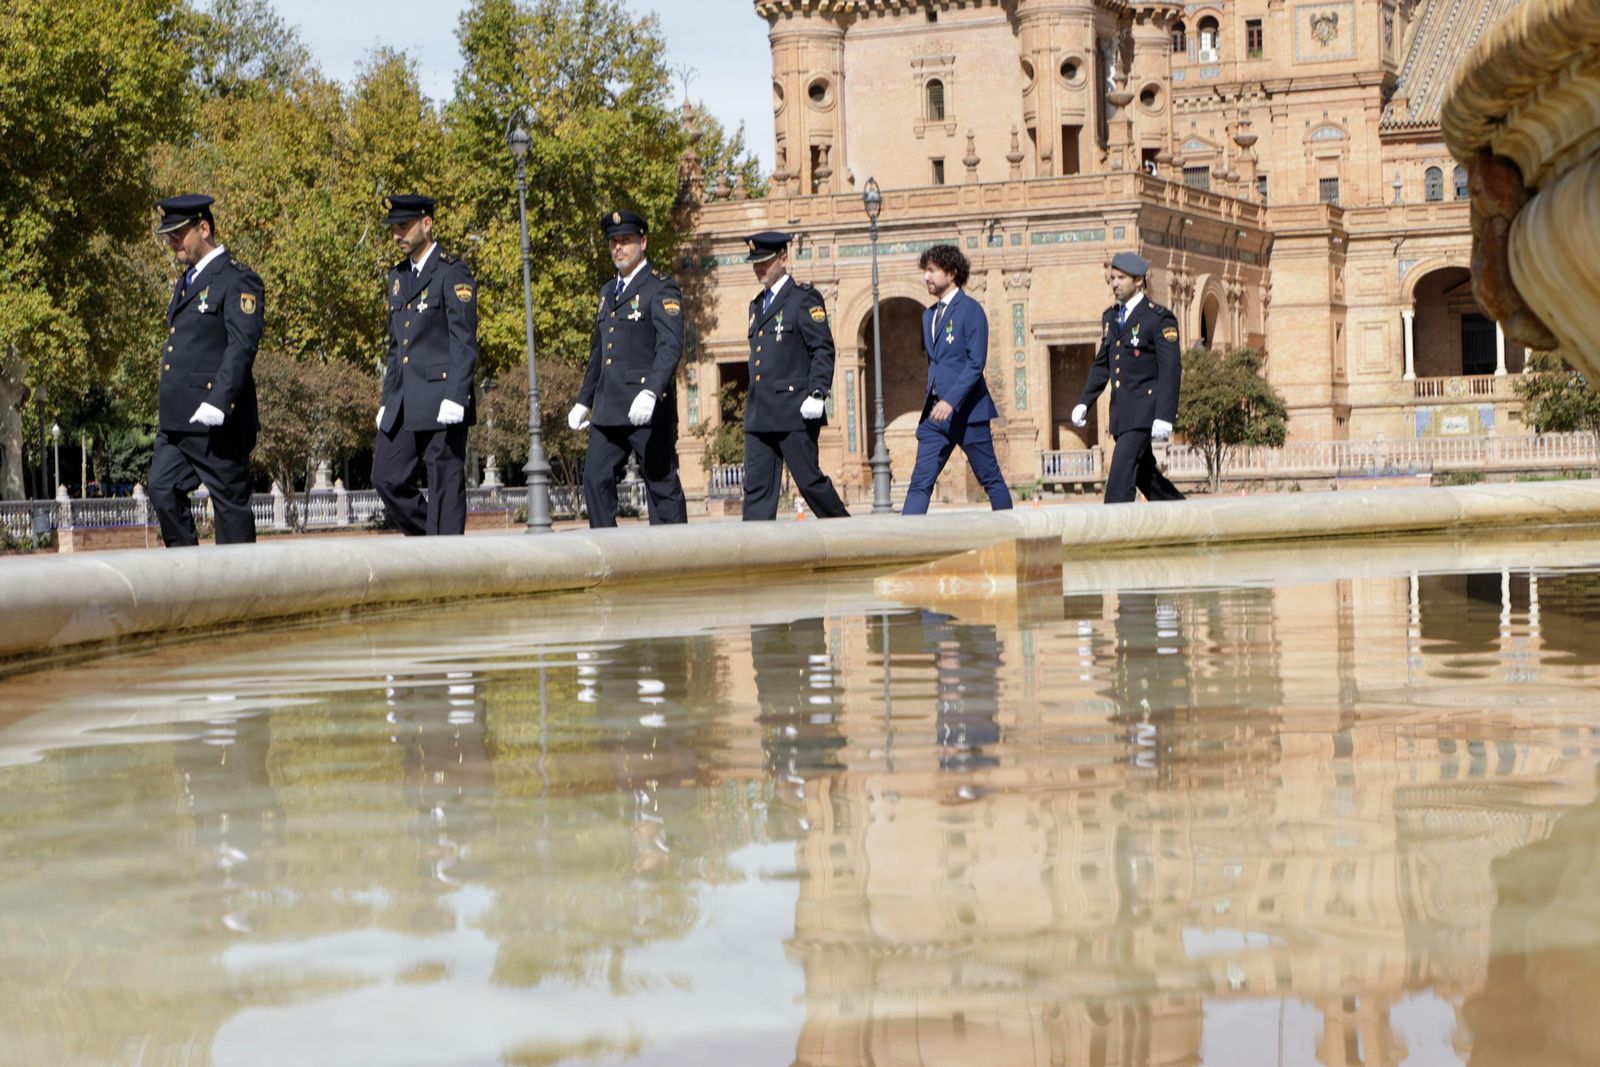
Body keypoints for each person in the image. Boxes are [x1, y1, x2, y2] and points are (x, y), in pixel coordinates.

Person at [149, 194, 264, 547]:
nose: (172, 241)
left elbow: (241, 346)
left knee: (230, 506)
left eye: (179, 233)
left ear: (204, 228)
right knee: (162, 487)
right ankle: (189, 572)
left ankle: (241, 589)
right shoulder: (187, 280)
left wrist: (219, 400)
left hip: (218, 419)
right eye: (168, 234)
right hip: (178, 421)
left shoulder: (237, 279)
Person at [569, 210, 687, 527]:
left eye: (626, 241)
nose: (618, 248)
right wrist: (584, 399)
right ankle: (608, 549)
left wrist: (651, 391)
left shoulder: (660, 289)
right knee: (595, 479)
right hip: (609, 408)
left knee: (662, 486)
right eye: (613, 242)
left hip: (646, 409)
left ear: (643, 242)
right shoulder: (607, 292)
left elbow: (670, 346)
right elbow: (600, 352)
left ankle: (677, 557)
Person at [372, 194, 479, 536]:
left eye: (403, 226)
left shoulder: (452, 271)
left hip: (441, 394)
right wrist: (387, 399)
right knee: (385, 476)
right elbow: (395, 347)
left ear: (427, 224)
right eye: (394, 228)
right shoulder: (398, 277)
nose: (397, 235)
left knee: (444, 480)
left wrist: (457, 394)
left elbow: (463, 340)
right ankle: (430, 540)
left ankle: (448, 561)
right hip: (404, 397)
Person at [741, 231, 850, 521]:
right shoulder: (757, 304)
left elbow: (823, 349)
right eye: (755, 263)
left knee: (809, 482)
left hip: (793, 409)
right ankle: (756, 555)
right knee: (756, 490)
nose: (758, 268)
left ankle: (847, 534)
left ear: (784, 258)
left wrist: (818, 393)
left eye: (764, 262)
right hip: (759, 411)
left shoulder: (803, 298)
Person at [901, 244, 1013, 515]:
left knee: (990, 478)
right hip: (935, 415)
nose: (926, 277)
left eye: (931, 270)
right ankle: (906, 546)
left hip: (968, 413)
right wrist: (937, 399)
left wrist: (951, 401)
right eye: (925, 271)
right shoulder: (928, 315)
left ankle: (1013, 536)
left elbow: (976, 363)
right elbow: (936, 363)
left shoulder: (971, 310)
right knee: (920, 483)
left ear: (951, 273)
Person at [1071, 251, 1186, 504]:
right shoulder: (1111, 317)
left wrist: (1165, 416)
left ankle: (1112, 536)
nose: (1114, 283)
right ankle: (1190, 518)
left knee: (1119, 480)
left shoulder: (1158, 318)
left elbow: (1170, 370)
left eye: (1120, 277)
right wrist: (1084, 402)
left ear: (1138, 281)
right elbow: (1103, 364)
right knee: (1147, 478)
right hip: (1122, 415)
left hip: (1144, 414)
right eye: (1112, 278)